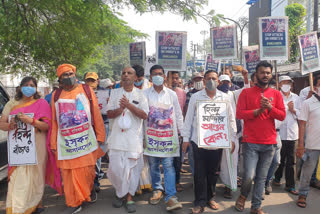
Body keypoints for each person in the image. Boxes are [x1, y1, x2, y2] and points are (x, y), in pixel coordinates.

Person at [0, 77, 62, 214]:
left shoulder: (41, 103)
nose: (29, 87)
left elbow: (47, 126)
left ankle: (35, 204)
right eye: (26, 85)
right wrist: (9, 125)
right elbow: (2, 124)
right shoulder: (12, 103)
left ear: (36, 88)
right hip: (18, 148)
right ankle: (17, 208)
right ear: (20, 87)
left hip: (37, 146)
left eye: (32, 85)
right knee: (17, 178)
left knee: (36, 177)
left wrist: (31, 121)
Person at [50, 64, 106, 214]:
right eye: (64, 75)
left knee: (87, 170)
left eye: (70, 74)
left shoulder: (86, 90)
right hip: (67, 143)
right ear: (60, 79)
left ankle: (87, 190)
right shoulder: (56, 95)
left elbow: (96, 114)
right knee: (69, 173)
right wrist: (53, 143)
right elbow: (55, 121)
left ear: (75, 75)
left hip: (85, 140)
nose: (68, 77)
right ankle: (74, 202)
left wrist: (100, 135)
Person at [182, 70, 237, 213]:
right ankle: (199, 202)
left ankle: (210, 197)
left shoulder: (225, 97)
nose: (211, 81)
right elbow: (188, 119)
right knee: (199, 173)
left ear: (218, 81)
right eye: (208, 78)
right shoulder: (195, 97)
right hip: (198, 141)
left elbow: (231, 119)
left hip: (218, 141)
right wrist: (186, 139)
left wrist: (232, 139)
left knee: (213, 172)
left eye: (214, 78)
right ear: (204, 81)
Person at [235, 61, 286, 214]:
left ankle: (256, 206)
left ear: (271, 75)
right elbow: (239, 114)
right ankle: (243, 195)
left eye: (268, 73)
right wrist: (257, 111)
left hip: (269, 143)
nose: (265, 75)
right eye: (262, 72)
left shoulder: (276, 94)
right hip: (250, 142)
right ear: (256, 75)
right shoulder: (246, 93)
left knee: (261, 178)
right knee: (249, 175)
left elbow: (282, 115)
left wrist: (269, 108)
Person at [106, 66, 149, 213]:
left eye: (129, 73)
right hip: (116, 139)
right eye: (123, 73)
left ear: (135, 77)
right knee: (116, 169)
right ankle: (120, 193)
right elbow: (109, 114)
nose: (125, 75)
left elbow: (144, 115)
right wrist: (121, 108)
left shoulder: (141, 95)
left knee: (133, 170)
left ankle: (129, 197)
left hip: (133, 140)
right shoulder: (115, 93)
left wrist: (129, 105)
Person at [144, 65, 183, 211]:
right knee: (153, 165)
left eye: (160, 74)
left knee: (168, 166)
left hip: (168, 138)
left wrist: (182, 134)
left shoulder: (172, 94)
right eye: (154, 74)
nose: (158, 76)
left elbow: (178, 114)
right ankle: (157, 189)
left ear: (165, 76)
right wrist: (142, 137)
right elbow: (143, 117)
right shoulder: (145, 94)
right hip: (151, 137)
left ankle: (171, 196)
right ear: (150, 77)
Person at [272, 76, 300, 195]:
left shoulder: (297, 98)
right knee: (279, 160)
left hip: (293, 134)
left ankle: (290, 185)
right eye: (284, 83)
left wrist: (293, 110)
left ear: (292, 85)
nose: (286, 85)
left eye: (289, 83)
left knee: (291, 161)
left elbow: (301, 115)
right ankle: (277, 178)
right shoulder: (275, 96)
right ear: (279, 84)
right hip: (279, 133)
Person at [296, 90, 320, 208]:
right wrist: (301, 144)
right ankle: (302, 194)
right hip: (312, 145)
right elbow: (302, 124)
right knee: (308, 172)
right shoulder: (308, 103)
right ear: (316, 86)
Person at [84, 72, 106, 193]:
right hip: (86, 128)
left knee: (98, 154)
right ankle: (90, 180)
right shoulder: (81, 92)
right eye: (88, 80)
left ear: (98, 80)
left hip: (103, 124)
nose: (91, 83)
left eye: (93, 80)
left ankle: (96, 179)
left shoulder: (104, 93)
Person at [170, 71, 186, 192]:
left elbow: (183, 112)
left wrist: (182, 131)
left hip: (177, 132)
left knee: (177, 159)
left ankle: (176, 182)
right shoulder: (163, 93)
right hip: (162, 132)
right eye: (172, 78)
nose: (174, 80)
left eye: (176, 78)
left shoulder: (182, 93)